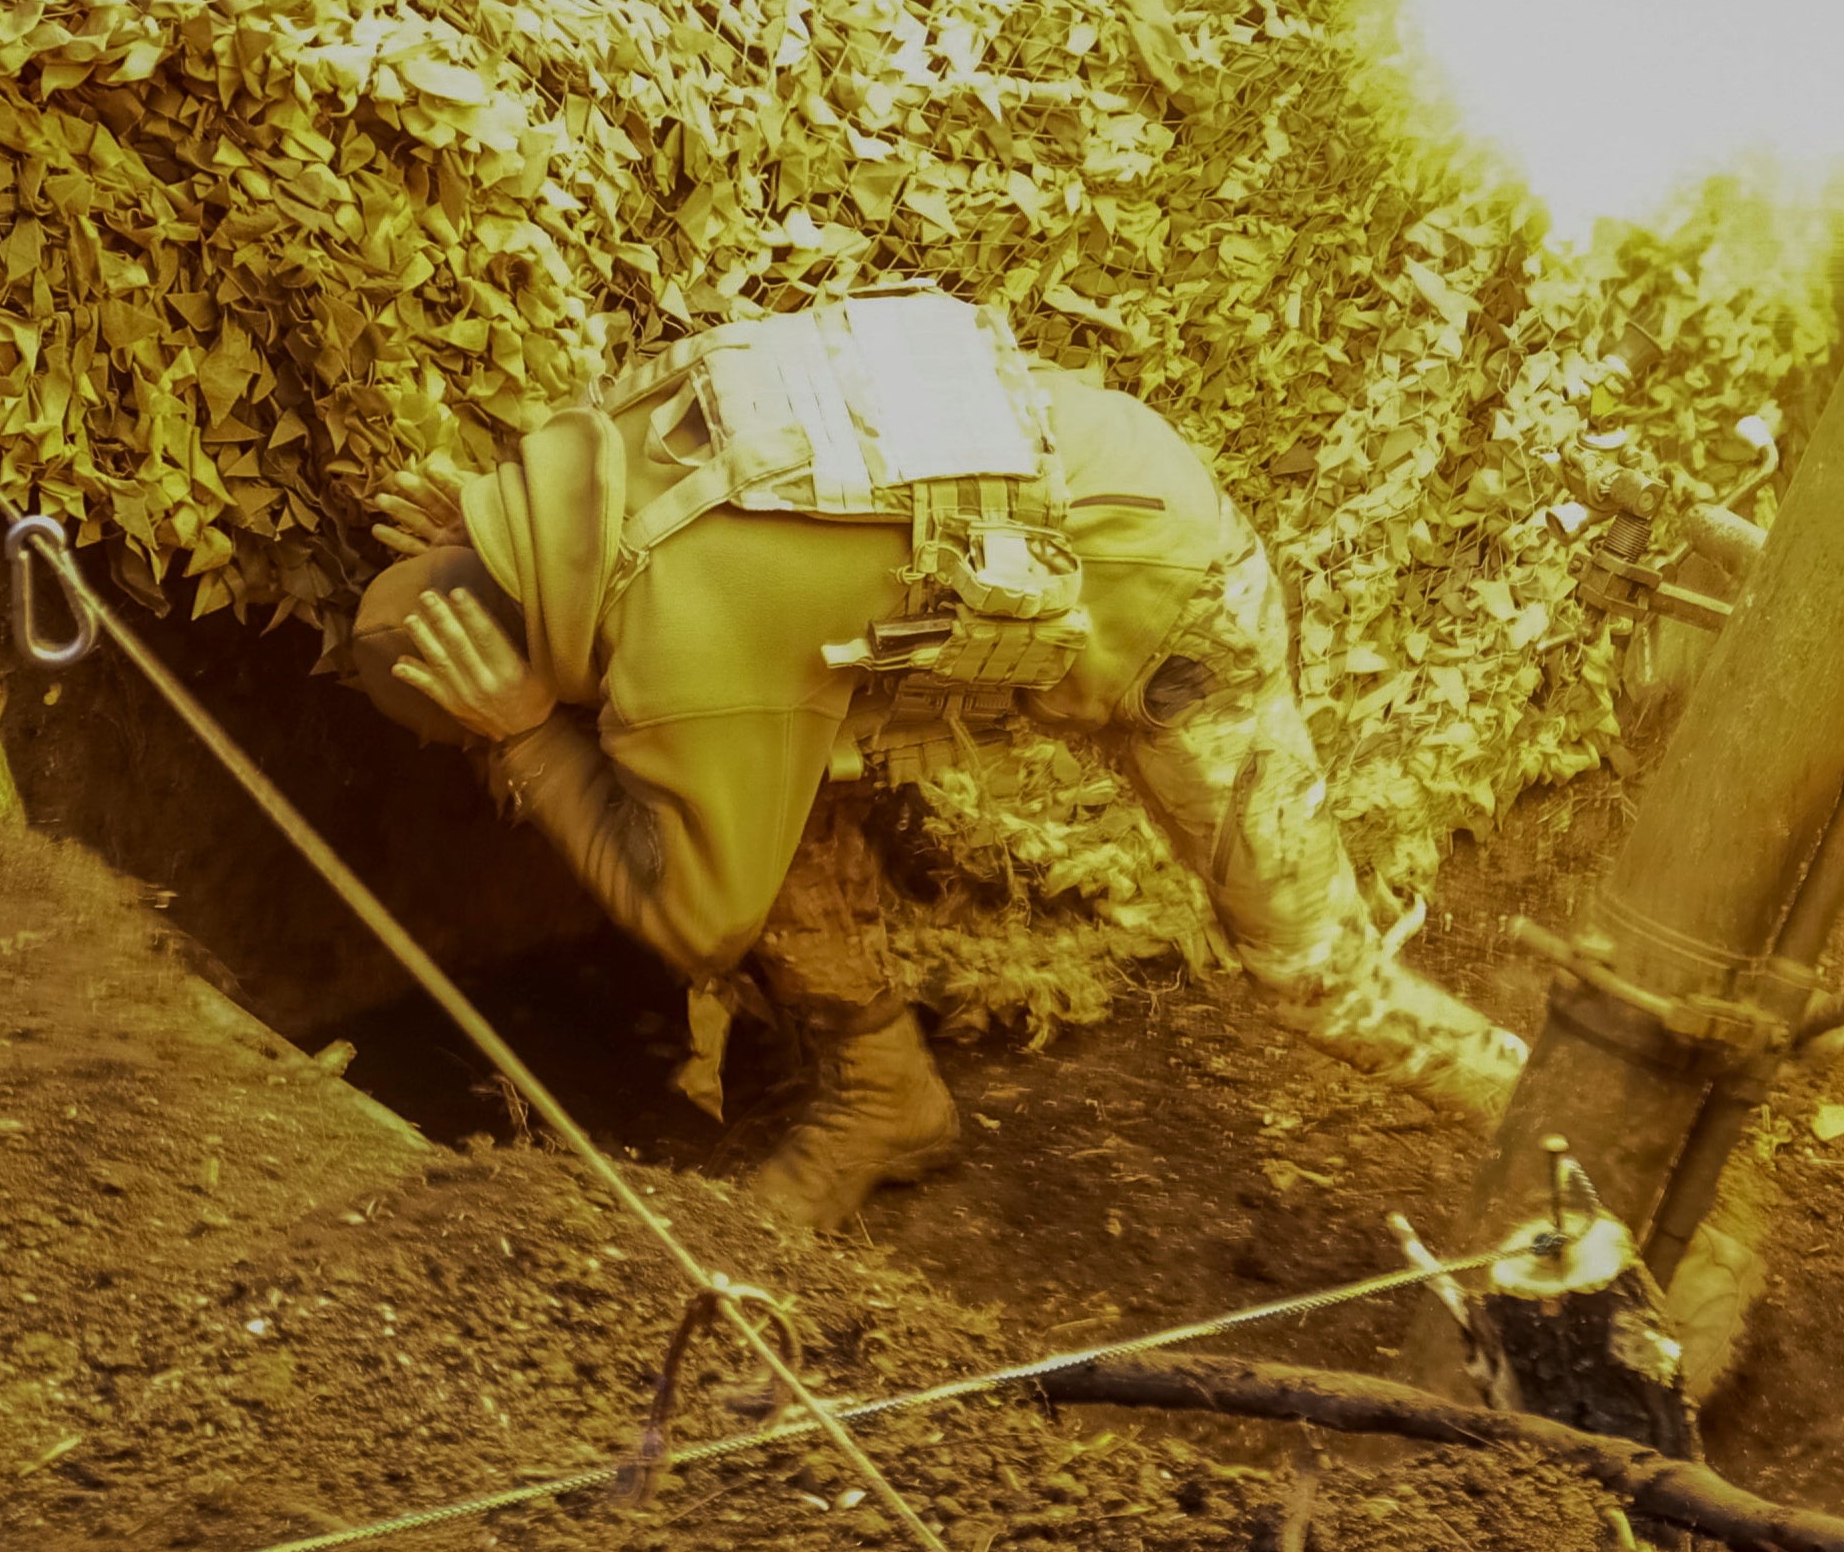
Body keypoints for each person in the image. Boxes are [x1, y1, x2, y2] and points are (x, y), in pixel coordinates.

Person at [346, 290, 1521, 1226]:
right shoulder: (586, 455)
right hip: (1091, 474)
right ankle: (885, 1101)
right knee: (763, 803)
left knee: (1315, 976)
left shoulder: (688, 646)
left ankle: (1558, 1118)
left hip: (1176, 606)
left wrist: (525, 738)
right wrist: (490, 545)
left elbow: (698, 921)